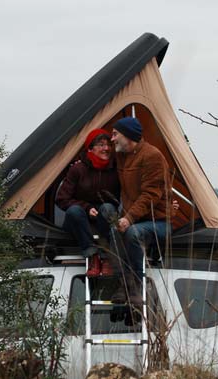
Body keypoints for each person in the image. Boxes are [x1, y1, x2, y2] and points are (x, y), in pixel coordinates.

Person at [109, 117, 171, 304]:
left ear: (128, 136)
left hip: (158, 221)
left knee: (133, 233)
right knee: (113, 232)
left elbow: (150, 196)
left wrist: (128, 218)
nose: (112, 139)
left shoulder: (152, 156)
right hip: (134, 218)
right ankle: (124, 285)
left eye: (115, 134)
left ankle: (137, 287)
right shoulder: (121, 155)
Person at [55, 128, 120, 277]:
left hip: (103, 217)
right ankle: (93, 256)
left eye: (108, 145)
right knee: (74, 211)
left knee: (109, 208)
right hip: (79, 219)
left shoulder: (115, 169)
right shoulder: (78, 169)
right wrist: (87, 207)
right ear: (91, 148)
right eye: (101, 145)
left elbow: (119, 198)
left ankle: (108, 256)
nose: (106, 148)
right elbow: (61, 199)